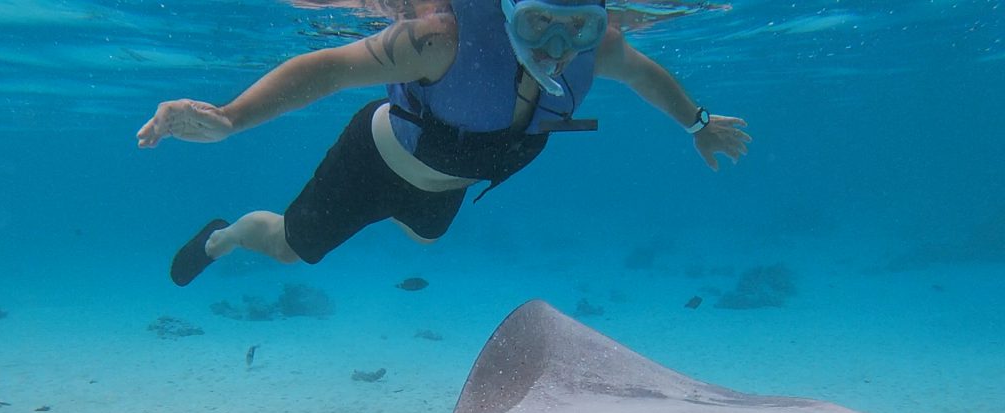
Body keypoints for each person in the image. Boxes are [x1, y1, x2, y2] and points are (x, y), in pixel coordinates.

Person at [137, 0, 750, 286]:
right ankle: (224, 237)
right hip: (374, 163)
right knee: (287, 247)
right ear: (509, 9)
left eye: (578, 27)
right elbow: (326, 69)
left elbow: (646, 75)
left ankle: (389, 218)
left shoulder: (600, 49)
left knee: (423, 240)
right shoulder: (440, 39)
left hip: (445, 185)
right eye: (540, 21)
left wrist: (698, 124)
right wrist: (229, 119)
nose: (557, 47)